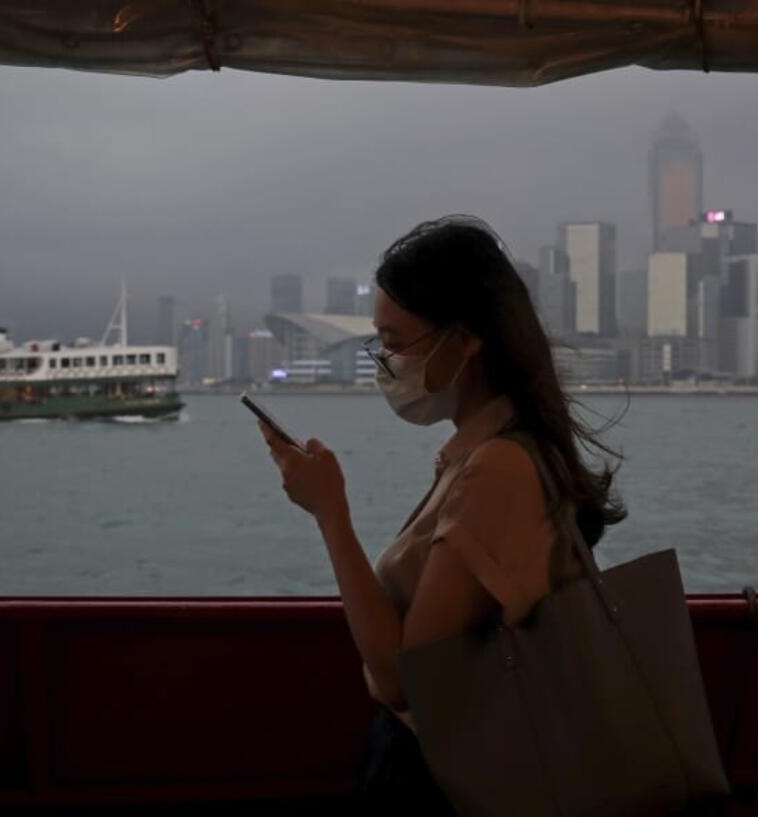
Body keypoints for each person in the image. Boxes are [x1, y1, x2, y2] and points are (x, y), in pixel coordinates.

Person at [256, 215, 626, 813]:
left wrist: (330, 513)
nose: (384, 361)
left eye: (396, 342)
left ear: (464, 339)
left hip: (445, 782)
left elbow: (410, 679)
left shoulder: (497, 470)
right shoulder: (486, 454)